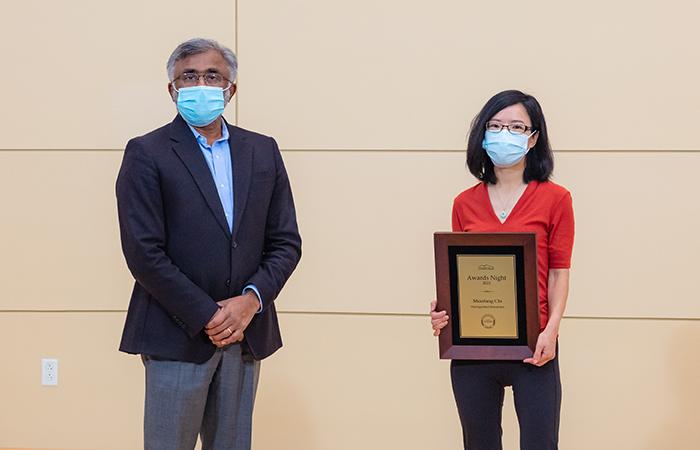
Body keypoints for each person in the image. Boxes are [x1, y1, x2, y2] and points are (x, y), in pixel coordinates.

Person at [116, 38, 301, 450]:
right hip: (176, 334)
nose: (201, 83)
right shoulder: (146, 153)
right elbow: (144, 253)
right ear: (172, 90)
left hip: (246, 333)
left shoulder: (263, 151)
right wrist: (209, 316)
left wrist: (250, 301)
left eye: (212, 75)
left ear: (230, 89)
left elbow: (286, 242)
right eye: (189, 76)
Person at [430, 90, 574, 450]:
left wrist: (552, 332)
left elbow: (559, 271)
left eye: (515, 126)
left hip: (535, 347)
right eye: (494, 126)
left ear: (533, 138)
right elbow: (461, 274)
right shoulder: (464, 203)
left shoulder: (557, 199)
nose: (503, 133)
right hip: (473, 351)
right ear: (482, 135)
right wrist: (445, 310)